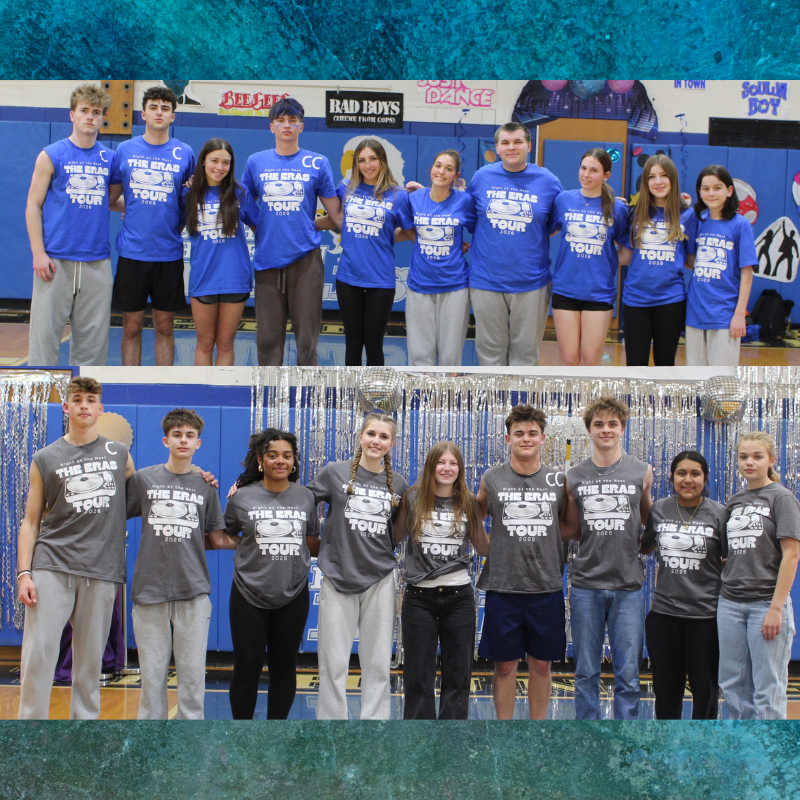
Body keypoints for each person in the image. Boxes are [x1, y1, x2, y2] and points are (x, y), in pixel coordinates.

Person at [16, 376, 133, 718]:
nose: (84, 405)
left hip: (102, 568)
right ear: (66, 407)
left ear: (100, 408)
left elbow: (144, 491)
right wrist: (24, 574)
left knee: (90, 662)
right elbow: (30, 522)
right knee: (39, 654)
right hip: (52, 563)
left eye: (90, 400)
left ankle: (84, 731)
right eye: (77, 400)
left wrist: (199, 478)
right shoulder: (45, 457)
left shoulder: (119, 454)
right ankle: (29, 732)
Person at [125, 408, 226, 720]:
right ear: (165, 440)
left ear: (198, 443)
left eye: (190, 435)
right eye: (177, 435)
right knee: (152, 680)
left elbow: (215, 537)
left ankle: (189, 742)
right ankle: (150, 742)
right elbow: (112, 516)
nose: (183, 440)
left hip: (192, 590)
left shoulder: (206, 485)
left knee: (193, 680)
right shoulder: (143, 479)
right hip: (149, 590)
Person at [307, 413, 408, 720]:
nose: (376, 441)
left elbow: (397, 531)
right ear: (360, 436)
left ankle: (374, 730)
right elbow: (301, 501)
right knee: (333, 663)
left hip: (380, 579)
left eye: (383, 436)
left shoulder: (399, 483)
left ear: (391, 443)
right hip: (338, 576)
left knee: (377, 663)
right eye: (371, 434)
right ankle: (332, 729)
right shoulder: (334, 472)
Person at [475, 404, 570, 720]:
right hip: (504, 587)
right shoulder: (492, 477)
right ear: (508, 439)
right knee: (504, 667)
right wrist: (488, 548)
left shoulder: (559, 479)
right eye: (519, 433)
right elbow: (475, 517)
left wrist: (547, 542)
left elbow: (569, 525)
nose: (525, 438)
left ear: (543, 438)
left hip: (546, 587)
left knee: (541, 665)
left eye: (532, 433)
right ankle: (504, 734)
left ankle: (536, 731)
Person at [563, 396, 653, 720]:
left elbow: (649, 522)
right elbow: (574, 530)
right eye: (598, 424)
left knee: (627, 673)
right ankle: (588, 736)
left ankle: (624, 737)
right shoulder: (574, 476)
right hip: (586, 585)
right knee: (586, 671)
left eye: (612, 424)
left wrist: (639, 551)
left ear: (622, 428)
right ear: (589, 429)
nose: (606, 430)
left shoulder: (642, 471)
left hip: (628, 586)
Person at [223, 429, 320, 719]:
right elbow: (227, 535)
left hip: (293, 593)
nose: (280, 461)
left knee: (284, 667)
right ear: (260, 460)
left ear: (294, 461)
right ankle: (243, 735)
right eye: (272, 455)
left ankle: (276, 734)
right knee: (247, 665)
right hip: (247, 593)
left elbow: (312, 541)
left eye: (287, 456)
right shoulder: (241, 497)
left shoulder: (306, 497)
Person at [242, 98, 343, 366]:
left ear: (301, 126)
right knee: (267, 341)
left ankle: (307, 391)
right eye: (281, 120)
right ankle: (269, 390)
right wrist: (261, 227)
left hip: (306, 260)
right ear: (271, 126)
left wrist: (311, 225)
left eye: (293, 120)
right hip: (268, 260)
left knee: (307, 342)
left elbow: (335, 215)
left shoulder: (317, 162)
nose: (287, 125)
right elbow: (243, 204)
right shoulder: (255, 162)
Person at [394, 442, 488, 719]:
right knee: (417, 673)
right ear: (431, 466)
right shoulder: (412, 498)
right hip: (418, 597)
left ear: (460, 469)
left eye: (453, 463)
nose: (447, 468)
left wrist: (513, 538)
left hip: (458, 596)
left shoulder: (468, 502)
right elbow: (393, 537)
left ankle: (451, 736)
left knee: (458, 673)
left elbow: (483, 546)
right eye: (441, 462)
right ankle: (420, 736)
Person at [26, 82, 115, 366]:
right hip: (54, 260)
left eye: (96, 112)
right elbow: (33, 205)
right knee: (44, 340)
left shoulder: (110, 159)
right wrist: (38, 253)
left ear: (103, 118)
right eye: (84, 110)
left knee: (93, 346)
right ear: (72, 115)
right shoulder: (51, 154)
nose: (90, 117)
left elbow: (114, 201)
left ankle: (86, 393)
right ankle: (42, 395)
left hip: (96, 261)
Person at [109, 86, 196, 367]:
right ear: (143, 113)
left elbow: (187, 202)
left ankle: (164, 383)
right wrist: (134, 209)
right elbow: (111, 199)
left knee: (165, 326)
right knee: (131, 327)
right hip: (133, 253)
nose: (159, 112)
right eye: (154, 107)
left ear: (173, 116)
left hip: (168, 253)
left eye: (165, 108)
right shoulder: (125, 149)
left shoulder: (185, 153)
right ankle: (129, 383)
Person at [717, 431, 800, 719]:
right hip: (730, 604)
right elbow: (730, 554)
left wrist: (776, 608)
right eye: (743, 457)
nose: (749, 462)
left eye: (757, 456)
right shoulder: (735, 501)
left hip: (765, 603)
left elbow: (791, 555)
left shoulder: (782, 498)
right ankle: (743, 743)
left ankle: (769, 746)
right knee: (732, 685)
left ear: (771, 460)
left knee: (768, 688)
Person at [466, 122, 563, 366]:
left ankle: (521, 395)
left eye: (518, 142)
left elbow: (555, 224)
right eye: (505, 142)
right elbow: (464, 215)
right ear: (497, 148)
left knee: (526, 356)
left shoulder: (548, 181)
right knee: (490, 354)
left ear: (529, 146)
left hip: (532, 282)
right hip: (486, 280)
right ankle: (494, 394)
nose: (512, 147)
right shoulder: (481, 177)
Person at [640, 451, 725, 719]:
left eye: (695, 474)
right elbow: (646, 546)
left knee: (705, 691)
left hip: (706, 617)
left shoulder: (720, 514)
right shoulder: (659, 509)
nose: (688, 480)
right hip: (664, 615)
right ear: (672, 477)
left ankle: (702, 742)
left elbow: (730, 561)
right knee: (666, 692)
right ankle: (668, 742)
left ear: (705, 479)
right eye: (681, 473)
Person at [315, 138, 405, 366]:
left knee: (374, 344)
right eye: (362, 160)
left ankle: (375, 389)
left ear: (382, 161)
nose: (367, 165)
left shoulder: (398, 195)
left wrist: (385, 237)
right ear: (356, 163)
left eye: (373, 159)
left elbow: (408, 230)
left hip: (381, 279)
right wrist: (306, 225)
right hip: (349, 277)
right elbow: (334, 219)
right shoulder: (345, 188)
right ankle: (352, 390)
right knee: (353, 344)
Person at [394, 150, 477, 366]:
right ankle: (421, 390)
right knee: (420, 355)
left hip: (455, 285)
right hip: (420, 284)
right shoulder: (414, 199)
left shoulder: (465, 201)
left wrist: (457, 244)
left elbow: (481, 230)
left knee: (450, 356)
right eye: (438, 165)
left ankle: (448, 390)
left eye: (448, 169)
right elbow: (407, 228)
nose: (441, 172)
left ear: (456, 176)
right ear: (431, 168)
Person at [182, 138, 259, 366]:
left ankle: (223, 387)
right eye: (214, 161)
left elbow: (260, 227)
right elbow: (169, 222)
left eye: (226, 163)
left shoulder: (240, 192)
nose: (220, 167)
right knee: (205, 343)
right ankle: (203, 389)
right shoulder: (188, 193)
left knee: (225, 343)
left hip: (234, 278)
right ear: (203, 162)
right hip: (203, 278)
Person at [550, 148, 629, 366]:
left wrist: (603, 259)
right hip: (565, 289)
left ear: (606, 175)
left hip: (599, 292)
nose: (586, 175)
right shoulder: (563, 200)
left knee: (590, 362)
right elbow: (548, 230)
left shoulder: (617, 208)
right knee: (568, 360)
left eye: (594, 170)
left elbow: (627, 253)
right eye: (583, 168)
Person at [618, 154, 697, 366]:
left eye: (663, 175)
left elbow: (691, 260)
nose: (658, 181)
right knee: (635, 366)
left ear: (672, 179)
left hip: (670, 300)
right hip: (636, 299)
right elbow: (625, 257)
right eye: (652, 177)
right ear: (646, 182)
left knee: (665, 364)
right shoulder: (635, 214)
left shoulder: (688, 215)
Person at [685, 165, 757, 366]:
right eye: (705, 188)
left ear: (729, 190)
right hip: (695, 312)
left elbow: (747, 274)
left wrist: (739, 314)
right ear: (699, 192)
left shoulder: (740, 225)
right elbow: (691, 262)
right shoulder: (697, 221)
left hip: (725, 314)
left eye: (717, 188)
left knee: (722, 380)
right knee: (695, 377)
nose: (711, 193)